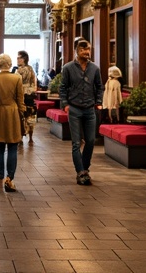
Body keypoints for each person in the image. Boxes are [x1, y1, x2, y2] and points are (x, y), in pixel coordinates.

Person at [58, 38, 103, 185]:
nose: (87, 52)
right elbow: (63, 87)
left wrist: (99, 102)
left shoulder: (95, 69)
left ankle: (85, 168)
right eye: (83, 49)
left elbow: (99, 86)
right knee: (76, 143)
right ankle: (80, 172)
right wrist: (65, 104)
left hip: (90, 109)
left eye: (88, 49)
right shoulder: (68, 68)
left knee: (90, 141)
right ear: (77, 51)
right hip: (74, 108)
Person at [0, 53, 24, 192]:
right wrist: (22, 114)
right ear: (9, 64)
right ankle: (10, 175)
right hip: (13, 112)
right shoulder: (17, 78)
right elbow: (20, 99)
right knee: (13, 146)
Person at [15, 51, 38, 143]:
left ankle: (20, 136)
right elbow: (34, 82)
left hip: (21, 95)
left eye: (18, 58)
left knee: (21, 115)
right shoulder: (31, 69)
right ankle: (31, 137)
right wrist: (32, 90)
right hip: (30, 94)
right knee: (30, 114)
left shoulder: (19, 70)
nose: (17, 59)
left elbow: (16, 83)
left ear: (23, 59)